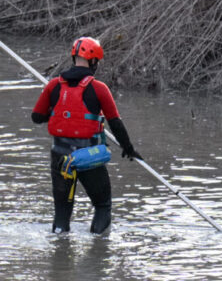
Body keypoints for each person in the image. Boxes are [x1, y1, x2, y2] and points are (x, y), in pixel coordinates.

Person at [30, 37, 142, 234]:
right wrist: (129, 149)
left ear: (74, 57)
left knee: (62, 213)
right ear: (93, 62)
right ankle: (99, 252)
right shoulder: (99, 89)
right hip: (88, 156)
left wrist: (57, 111)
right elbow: (115, 122)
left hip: (60, 157)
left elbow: (37, 117)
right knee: (102, 205)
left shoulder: (53, 86)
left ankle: (59, 251)